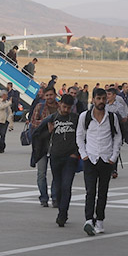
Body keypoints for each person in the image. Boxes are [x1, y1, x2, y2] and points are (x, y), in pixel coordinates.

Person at [77, 88, 122, 236]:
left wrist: (113, 157)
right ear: (93, 99)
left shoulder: (112, 117)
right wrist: (83, 154)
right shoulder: (85, 116)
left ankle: (100, 220)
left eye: (104, 98)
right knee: (90, 191)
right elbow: (79, 136)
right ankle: (89, 220)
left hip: (106, 159)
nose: (101, 101)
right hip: (90, 158)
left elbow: (117, 137)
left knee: (103, 192)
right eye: (98, 98)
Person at [47, 94, 80, 227]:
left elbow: (82, 136)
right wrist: (48, 131)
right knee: (58, 186)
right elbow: (39, 130)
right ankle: (61, 206)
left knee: (66, 186)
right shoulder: (53, 117)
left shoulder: (76, 119)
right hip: (55, 156)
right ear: (60, 104)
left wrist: (76, 153)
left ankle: (62, 213)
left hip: (70, 158)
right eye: (64, 106)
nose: (66, 110)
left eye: (69, 108)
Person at [31, 86, 59, 207]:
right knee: (41, 173)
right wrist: (45, 124)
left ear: (55, 95)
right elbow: (33, 122)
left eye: (51, 95)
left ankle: (55, 197)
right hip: (42, 145)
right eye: (47, 95)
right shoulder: (40, 107)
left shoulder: (60, 107)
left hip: (56, 145)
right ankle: (43, 197)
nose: (49, 98)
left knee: (56, 173)